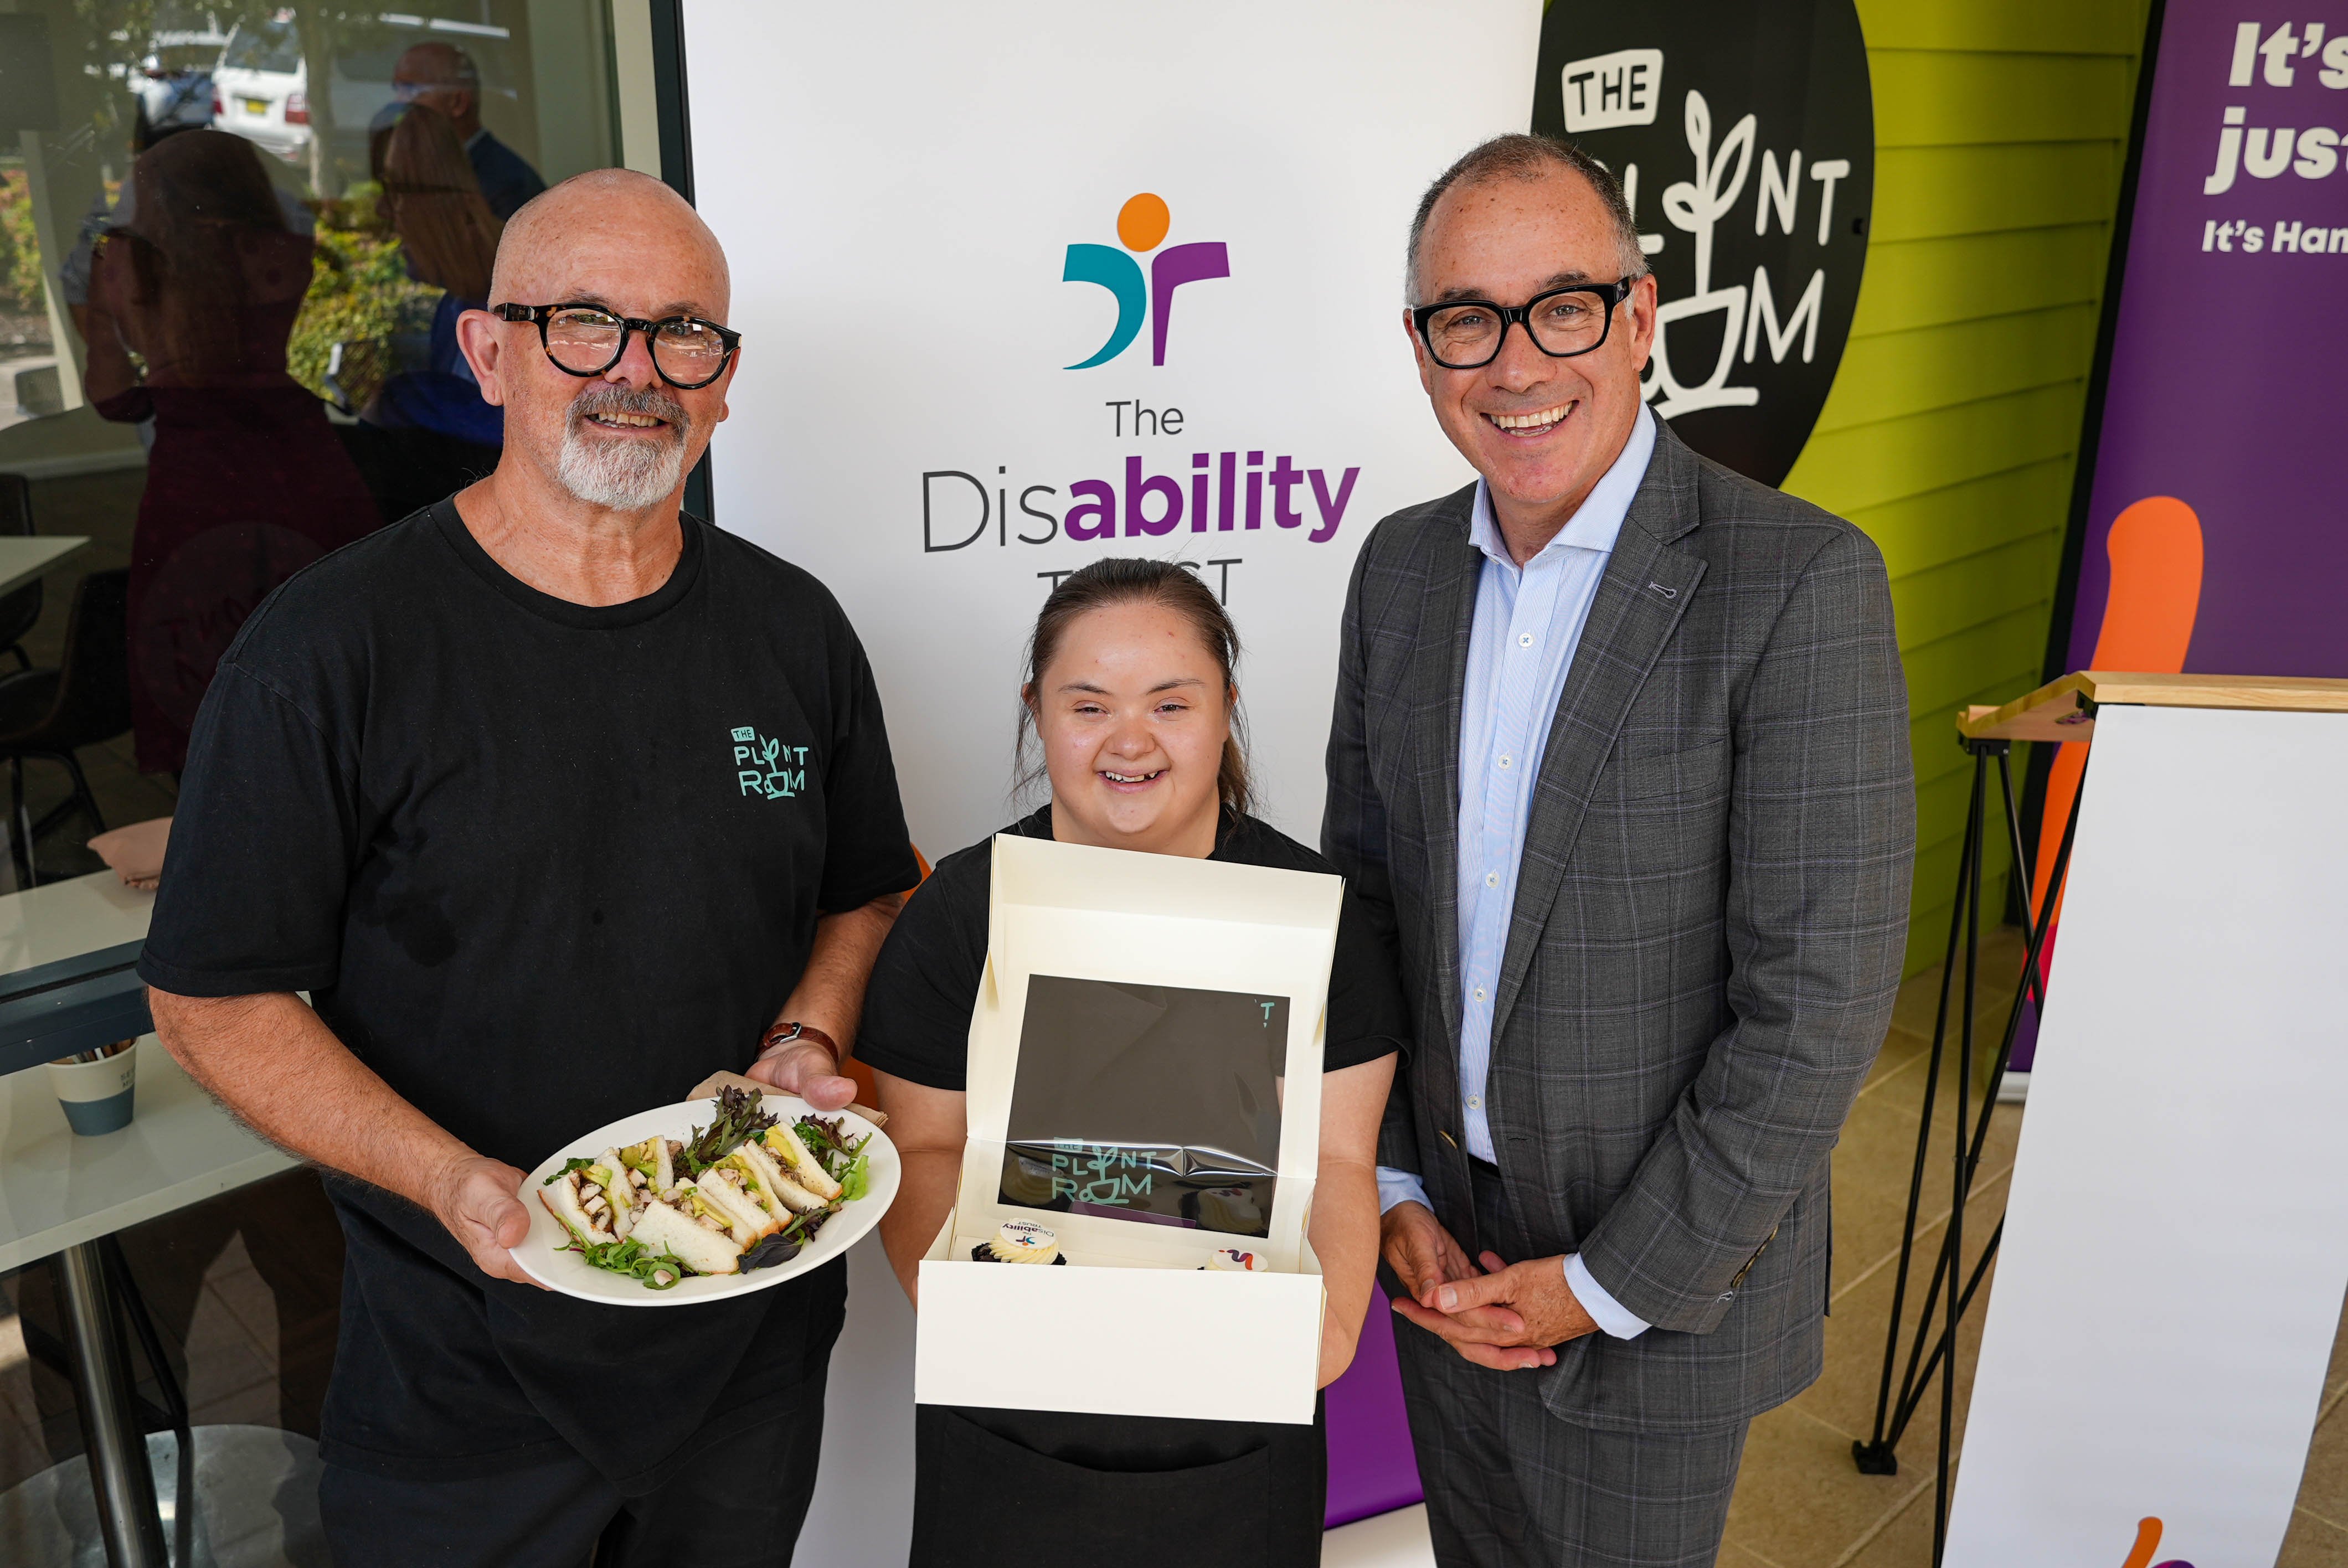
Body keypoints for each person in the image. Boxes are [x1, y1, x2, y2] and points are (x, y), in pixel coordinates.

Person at [139, 168, 919, 1566]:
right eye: (582, 323)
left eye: (683, 332)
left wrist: (810, 1030)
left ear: (726, 380)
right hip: (462, 1366)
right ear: (487, 352)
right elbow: (212, 999)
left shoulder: (792, 629)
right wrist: (449, 1180)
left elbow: (865, 885)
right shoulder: (330, 650)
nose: (636, 371)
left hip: (748, 1338)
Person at [1322, 134, 1915, 1566]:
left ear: (1640, 317)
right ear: (1422, 349)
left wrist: (1603, 1282)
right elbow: (1364, 913)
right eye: (1468, 317)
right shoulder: (1400, 568)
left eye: (1563, 307)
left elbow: (1815, 1011)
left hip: (1658, 1286)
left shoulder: (1797, 583)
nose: (1517, 364)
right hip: (1439, 1258)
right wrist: (1391, 1191)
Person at [858, 558, 1407, 1566]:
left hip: (1240, 1413)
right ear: (1038, 711)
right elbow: (926, 1141)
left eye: (1171, 702)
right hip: (1015, 1413)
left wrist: (1325, 1334)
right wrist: (968, 1309)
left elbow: (1337, 1159)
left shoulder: (1317, 911)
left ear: (1226, 710)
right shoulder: (956, 917)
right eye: (1088, 703)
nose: (1130, 739)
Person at [80, 128, 380, 774]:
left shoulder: (134, 260)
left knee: (211, 677)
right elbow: (352, 370)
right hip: (302, 461)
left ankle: (238, 831)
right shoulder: (288, 250)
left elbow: (113, 396)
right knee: (338, 657)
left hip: (200, 478)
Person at [382, 40, 546, 220]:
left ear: (458, 102)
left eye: (412, 90)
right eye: (397, 90)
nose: (399, 102)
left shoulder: (509, 185)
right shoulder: (429, 169)